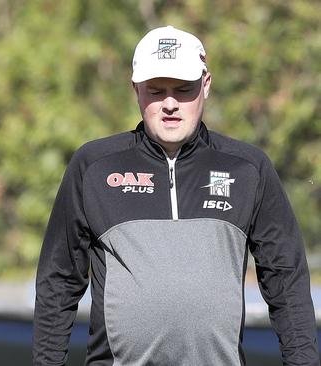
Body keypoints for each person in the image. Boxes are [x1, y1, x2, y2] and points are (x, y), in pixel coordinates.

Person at [33, 25, 319, 365]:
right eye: (156, 91)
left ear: (206, 85)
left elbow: (286, 280)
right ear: (135, 89)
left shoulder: (248, 168)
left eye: (184, 90)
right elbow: (58, 283)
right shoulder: (93, 166)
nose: (170, 104)